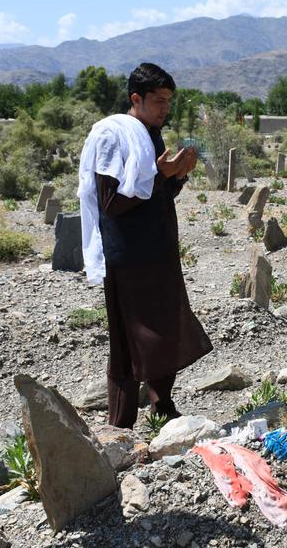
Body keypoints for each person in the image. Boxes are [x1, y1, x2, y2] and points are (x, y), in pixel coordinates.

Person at [77, 62, 213, 429]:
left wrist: (177, 177)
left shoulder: (150, 133)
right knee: (127, 342)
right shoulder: (112, 135)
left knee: (165, 327)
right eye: (158, 101)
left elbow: (157, 194)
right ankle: (118, 427)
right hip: (128, 257)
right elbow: (111, 203)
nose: (165, 109)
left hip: (158, 250)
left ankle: (163, 408)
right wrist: (159, 174)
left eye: (169, 101)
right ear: (136, 98)